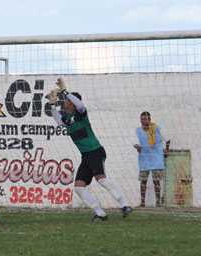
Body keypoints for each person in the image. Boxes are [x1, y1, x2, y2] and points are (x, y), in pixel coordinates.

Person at [48, 78, 133, 221]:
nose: (65, 102)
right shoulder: (68, 119)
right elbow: (58, 120)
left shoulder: (80, 113)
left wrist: (65, 91)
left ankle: (125, 205)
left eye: (67, 100)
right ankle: (100, 213)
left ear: (72, 103)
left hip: (95, 151)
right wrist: (52, 105)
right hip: (86, 156)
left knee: (101, 179)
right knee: (79, 187)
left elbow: (80, 105)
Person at [134, 111, 171, 207]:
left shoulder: (157, 129)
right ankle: (142, 202)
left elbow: (168, 140)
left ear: (149, 119)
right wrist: (138, 147)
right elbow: (136, 143)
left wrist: (166, 151)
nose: (143, 121)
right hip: (144, 159)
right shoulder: (138, 131)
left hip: (156, 159)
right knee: (143, 181)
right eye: (141, 119)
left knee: (156, 181)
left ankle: (158, 202)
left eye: (145, 119)